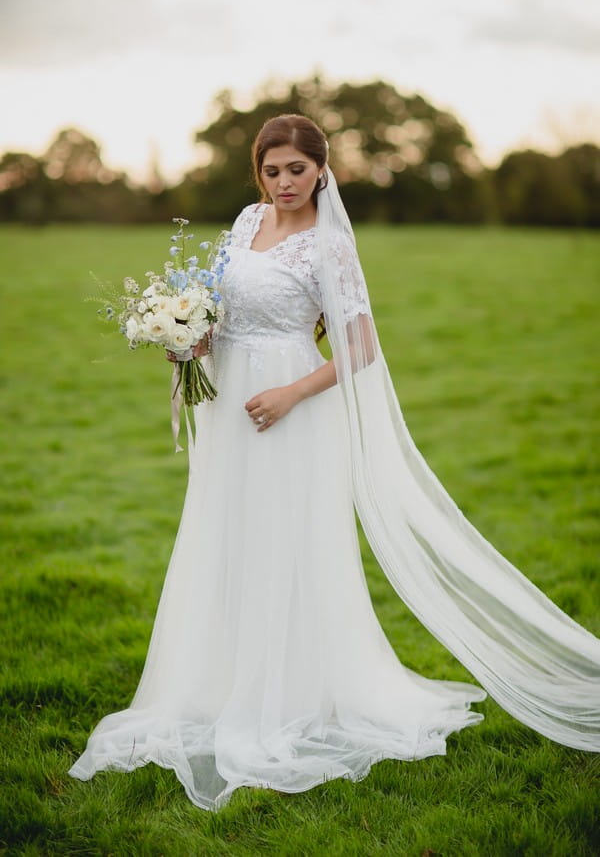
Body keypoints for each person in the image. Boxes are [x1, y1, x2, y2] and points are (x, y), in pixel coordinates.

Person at [69, 115, 600, 811]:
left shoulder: (331, 247)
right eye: (272, 170)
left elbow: (359, 350)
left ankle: (294, 691)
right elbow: (223, 311)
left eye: (296, 169)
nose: (284, 183)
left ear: (321, 169)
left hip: (290, 405)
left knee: (289, 544)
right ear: (257, 173)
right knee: (229, 539)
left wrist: (291, 392)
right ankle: (224, 682)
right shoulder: (245, 221)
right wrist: (189, 338)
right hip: (230, 405)